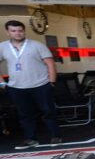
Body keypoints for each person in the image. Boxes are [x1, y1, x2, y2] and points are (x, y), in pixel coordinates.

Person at [0, 20, 61, 148]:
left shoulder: (37, 45)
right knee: (25, 114)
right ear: (8, 32)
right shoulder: (2, 47)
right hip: (16, 87)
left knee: (48, 112)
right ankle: (31, 139)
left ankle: (56, 136)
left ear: (24, 31)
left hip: (41, 84)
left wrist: (52, 82)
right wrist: (2, 83)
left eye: (20, 30)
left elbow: (50, 63)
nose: (17, 33)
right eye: (14, 31)